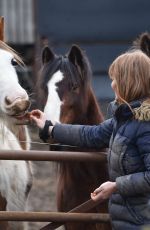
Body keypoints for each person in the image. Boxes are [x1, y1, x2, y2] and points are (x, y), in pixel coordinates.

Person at [30, 50, 150, 230]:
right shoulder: (123, 118)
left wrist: (116, 186)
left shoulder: (145, 124)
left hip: (141, 220)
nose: (112, 85)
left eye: (115, 79)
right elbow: (91, 134)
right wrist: (51, 128)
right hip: (125, 218)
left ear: (130, 83)